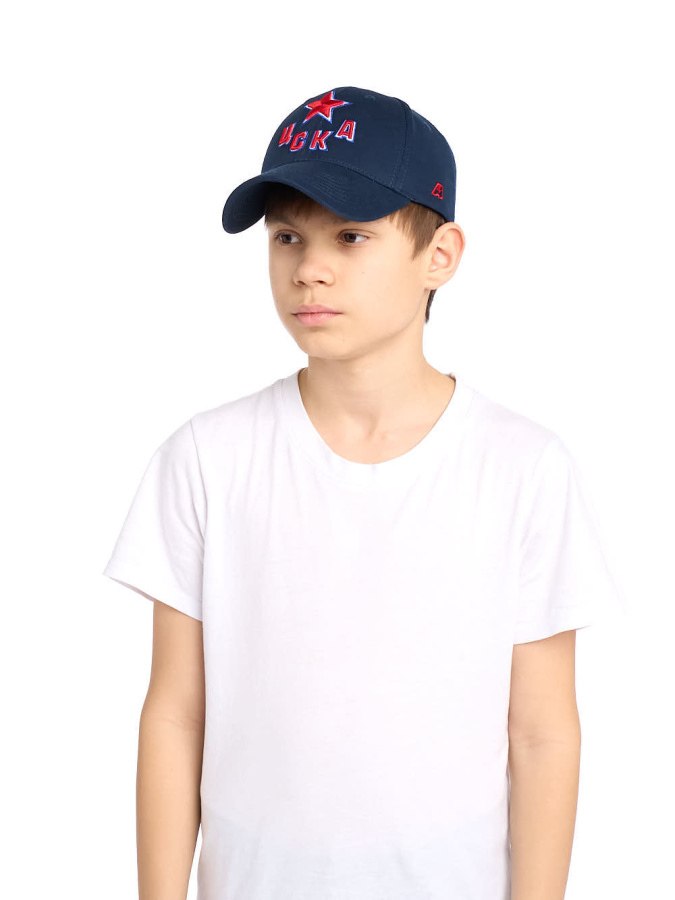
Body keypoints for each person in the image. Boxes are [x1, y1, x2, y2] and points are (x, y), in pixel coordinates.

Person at [102, 85, 629, 900]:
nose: (308, 268)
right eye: (287, 236)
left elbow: (541, 732)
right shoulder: (207, 458)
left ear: (439, 255)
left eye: (350, 235)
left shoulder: (521, 467)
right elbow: (175, 715)